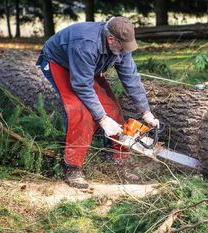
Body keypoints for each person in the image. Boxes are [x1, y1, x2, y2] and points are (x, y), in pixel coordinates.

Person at [36, 16, 159, 189]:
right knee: (81, 112)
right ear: (111, 39)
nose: (125, 51)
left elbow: (131, 78)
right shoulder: (86, 44)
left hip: (86, 67)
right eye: (122, 47)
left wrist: (145, 111)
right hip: (59, 63)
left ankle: (117, 162)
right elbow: (81, 85)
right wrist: (101, 118)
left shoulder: (121, 44)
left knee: (113, 110)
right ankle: (73, 168)